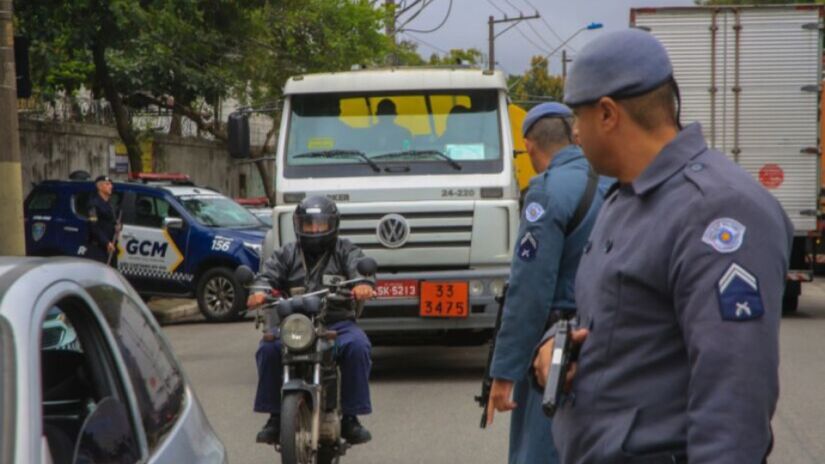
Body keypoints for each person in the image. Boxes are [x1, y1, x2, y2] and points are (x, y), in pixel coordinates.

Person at [531, 29, 793, 463]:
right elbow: (621, 322)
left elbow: (735, 397)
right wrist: (556, 352)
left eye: (579, 118)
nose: (575, 133)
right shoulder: (626, 197)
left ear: (609, 115)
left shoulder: (716, 210)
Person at [485, 102, 609, 464]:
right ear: (574, 134)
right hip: (613, 337)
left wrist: (505, 370)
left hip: (556, 349)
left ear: (529, 146)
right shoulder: (615, 180)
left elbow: (529, 291)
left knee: (541, 451)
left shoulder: (546, 191)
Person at [249, 196, 376, 445]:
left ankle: (351, 417)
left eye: (320, 225)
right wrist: (259, 291)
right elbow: (266, 276)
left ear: (333, 225)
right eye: (309, 225)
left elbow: (360, 269)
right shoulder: (287, 253)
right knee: (269, 347)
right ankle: (276, 416)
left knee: (358, 346)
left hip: (336, 323)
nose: (315, 230)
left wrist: (362, 283)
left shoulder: (345, 250)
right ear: (299, 226)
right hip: (294, 323)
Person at [84, 175, 119, 266]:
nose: (111, 186)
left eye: (111, 184)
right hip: (98, 249)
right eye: (107, 184)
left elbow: (113, 221)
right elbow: (93, 226)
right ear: (99, 187)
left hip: (111, 247)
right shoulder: (93, 205)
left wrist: (118, 226)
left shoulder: (110, 204)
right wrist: (106, 242)